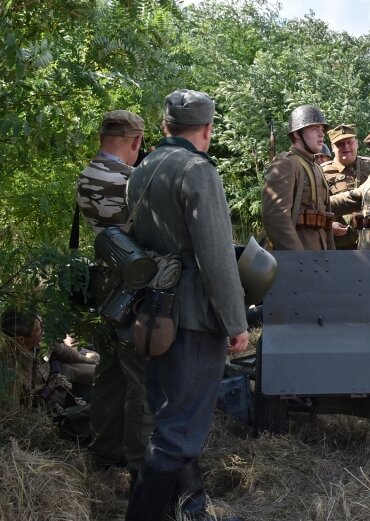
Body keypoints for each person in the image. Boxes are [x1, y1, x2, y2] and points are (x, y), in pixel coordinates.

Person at [124, 89, 248, 521]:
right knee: (179, 433)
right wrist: (236, 321)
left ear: (164, 128)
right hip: (193, 318)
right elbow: (215, 256)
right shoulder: (198, 171)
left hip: (151, 315)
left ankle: (182, 511)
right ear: (208, 130)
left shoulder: (142, 170)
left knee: (167, 420)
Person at [76, 109, 153, 477]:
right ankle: (143, 466)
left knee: (109, 371)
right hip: (133, 289)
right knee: (140, 375)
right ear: (137, 141)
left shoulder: (87, 176)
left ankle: (104, 449)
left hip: (104, 285)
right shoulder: (130, 181)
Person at [262, 104, 335, 251]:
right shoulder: (287, 163)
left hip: (320, 256)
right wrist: (298, 259)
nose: (321, 134)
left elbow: (326, 221)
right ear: (297, 134)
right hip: (298, 258)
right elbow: (276, 218)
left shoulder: (317, 167)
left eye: (322, 129)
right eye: (315, 129)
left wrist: (331, 255)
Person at [1, 310, 98, 411]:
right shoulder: (9, 371)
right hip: (43, 405)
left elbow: (67, 352)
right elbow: (15, 412)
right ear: (20, 340)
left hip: (58, 378)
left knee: (99, 372)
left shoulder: (44, 340)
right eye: (39, 329)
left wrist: (92, 362)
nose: (44, 330)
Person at [322, 123, 370, 249]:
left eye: (349, 142)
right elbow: (315, 205)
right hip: (341, 244)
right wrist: (328, 225)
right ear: (332, 147)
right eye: (340, 144)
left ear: (356, 143)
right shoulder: (321, 172)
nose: (346, 146)